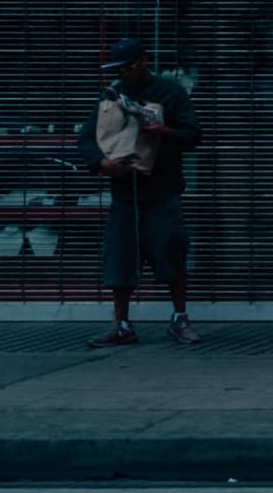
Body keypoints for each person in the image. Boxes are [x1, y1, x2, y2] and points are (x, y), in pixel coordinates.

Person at [88, 37, 200, 348]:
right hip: (124, 193)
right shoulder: (112, 93)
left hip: (163, 191)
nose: (123, 74)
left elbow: (193, 134)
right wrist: (102, 162)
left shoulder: (170, 92)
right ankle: (121, 324)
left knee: (171, 254)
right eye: (118, 69)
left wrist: (163, 132)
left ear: (144, 61)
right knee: (120, 259)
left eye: (128, 67)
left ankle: (180, 318)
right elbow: (87, 137)